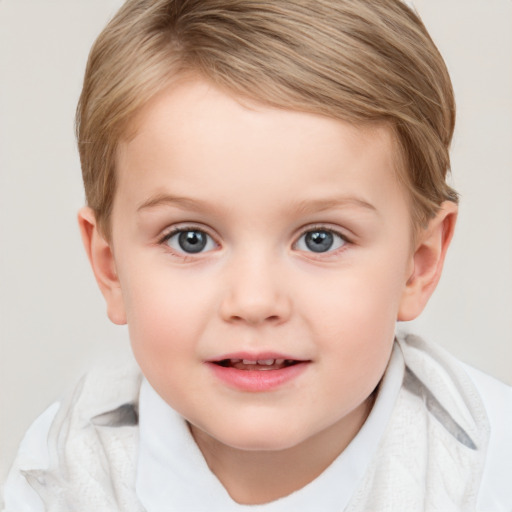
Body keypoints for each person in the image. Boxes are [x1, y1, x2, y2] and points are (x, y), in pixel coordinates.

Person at [2, 0, 511, 510]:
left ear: (418, 264)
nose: (254, 300)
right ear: (110, 268)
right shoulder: (65, 472)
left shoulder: (490, 470)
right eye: (190, 239)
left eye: (320, 239)